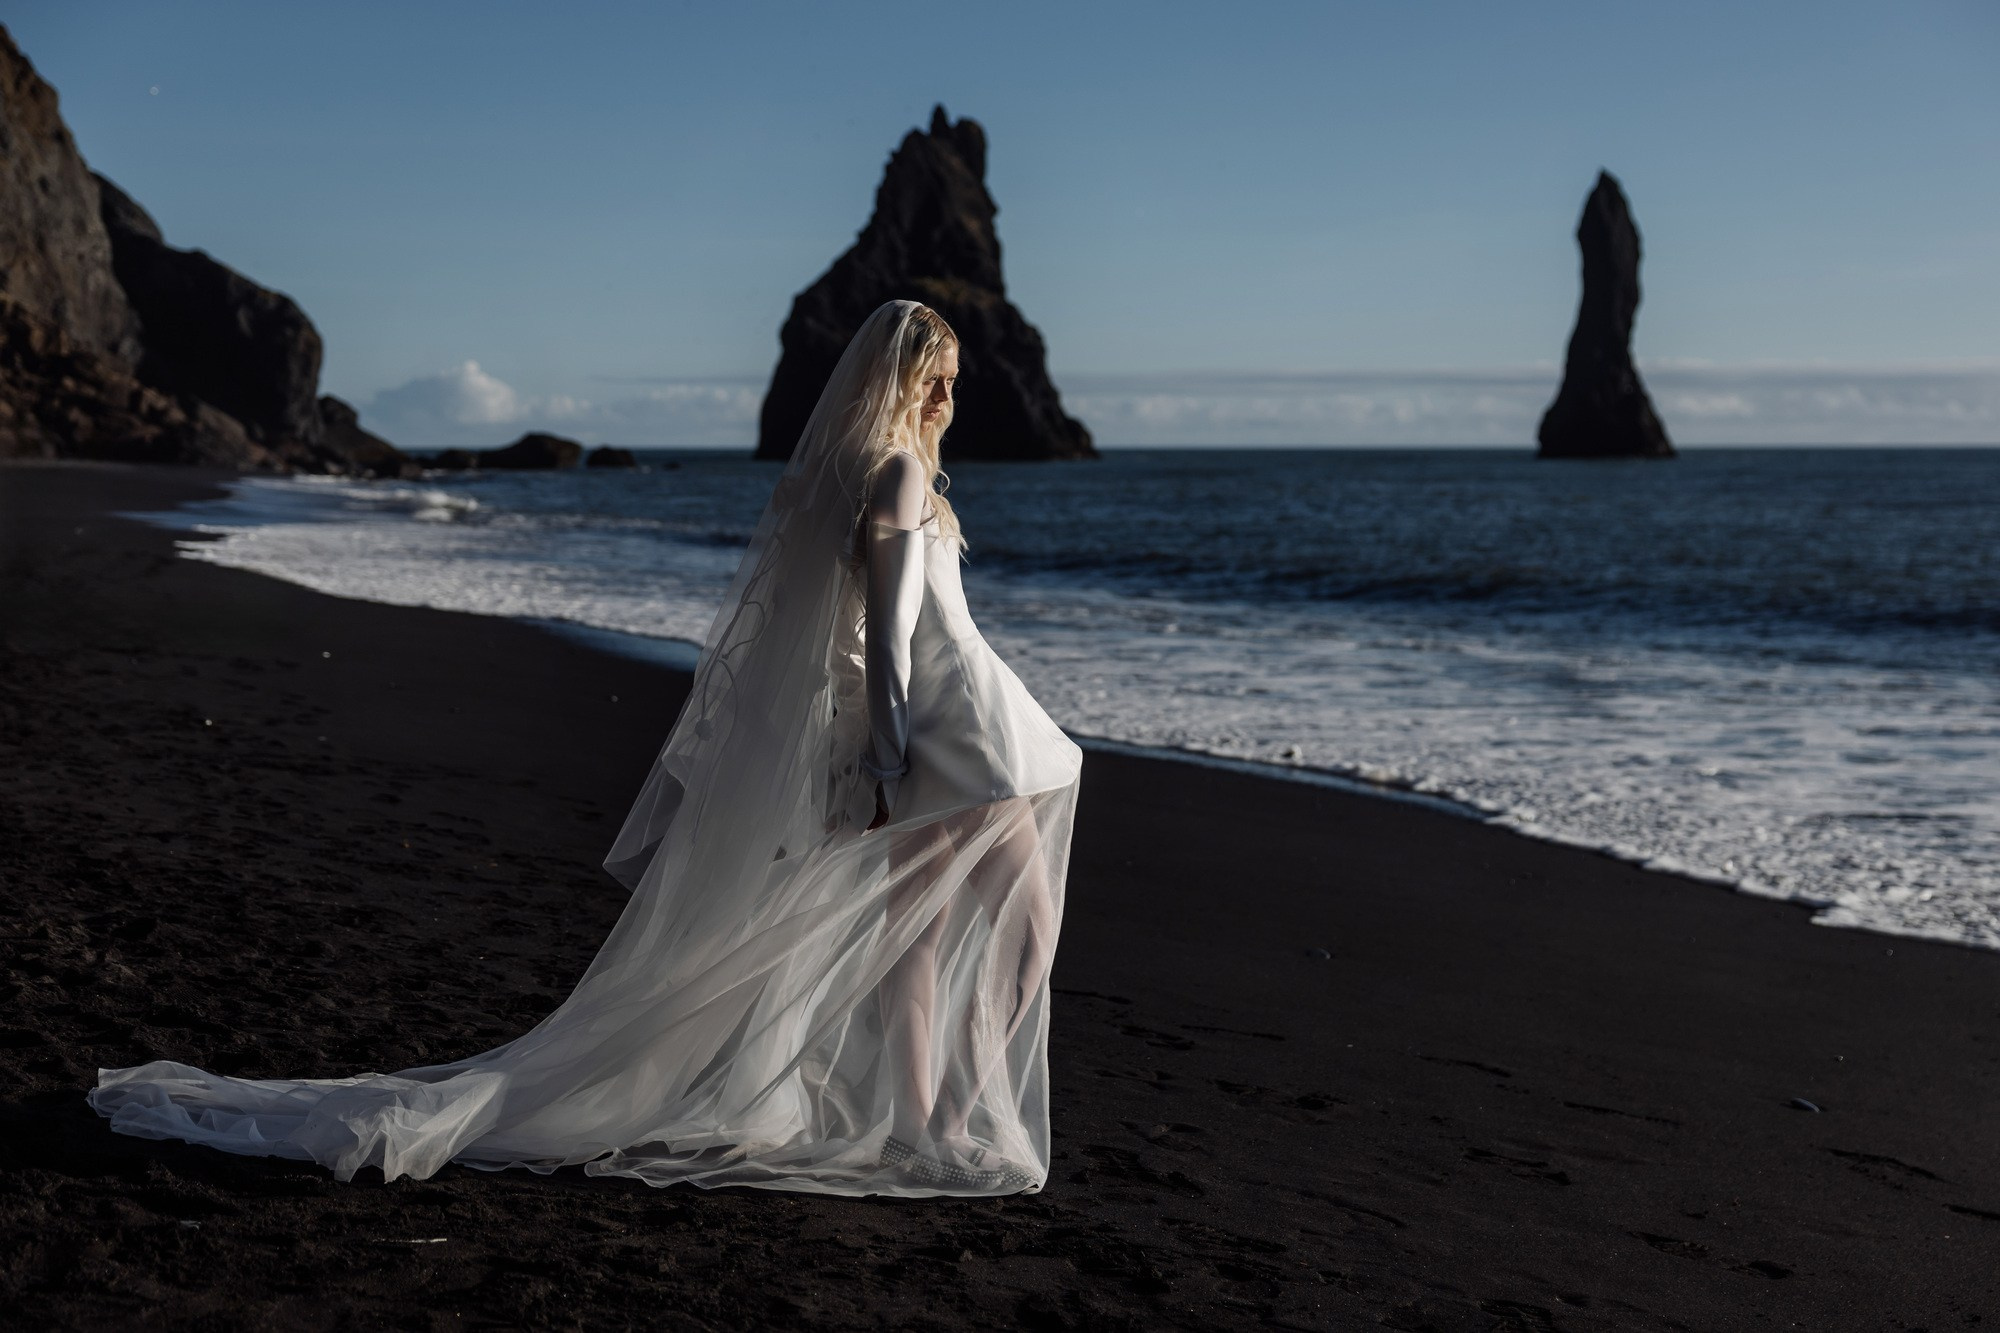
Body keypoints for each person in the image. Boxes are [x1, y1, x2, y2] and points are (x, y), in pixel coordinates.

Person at [88, 300, 1084, 1197]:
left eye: (954, 380)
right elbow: (894, 640)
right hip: (960, 727)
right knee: (1019, 922)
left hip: (948, 724)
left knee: (923, 936)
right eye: (934, 378)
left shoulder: (868, 473)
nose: (948, 397)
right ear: (896, 380)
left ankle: (926, 1120)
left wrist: (883, 753)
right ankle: (939, 1121)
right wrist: (886, 759)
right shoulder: (897, 473)